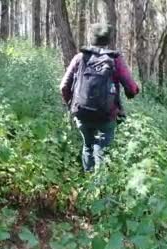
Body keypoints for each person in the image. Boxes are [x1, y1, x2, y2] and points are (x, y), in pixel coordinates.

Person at [60, 23, 140, 172]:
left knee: (88, 145)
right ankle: (100, 186)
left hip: (82, 112)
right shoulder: (115, 60)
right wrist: (134, 91)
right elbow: (131, 87)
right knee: (102, 149)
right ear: (108, 39)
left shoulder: (80, 58)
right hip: (107, 114)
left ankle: (88, 183)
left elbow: (64, 86)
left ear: (92, 38)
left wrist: (70, 104)